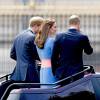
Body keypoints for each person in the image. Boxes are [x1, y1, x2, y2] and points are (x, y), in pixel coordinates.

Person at [0, 16, 44, 99]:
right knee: (36, 94)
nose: (42, 30)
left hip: (18, 72)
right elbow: (36, 55)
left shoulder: (18, 36)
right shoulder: (32, 37)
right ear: (36, 26)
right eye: (42, 27)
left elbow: (12, 54)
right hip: (29, 73)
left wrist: (22, 61)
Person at [51, 15, 93, 85]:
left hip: (62, 73)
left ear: (69, 24)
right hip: (77, 73)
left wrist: (55, 71)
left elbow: (54, 57)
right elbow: (89, 52)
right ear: (78, 24)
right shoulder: (82, 37)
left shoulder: (59, 36)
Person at [35, 19, 57, 88]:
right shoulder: (51, 41)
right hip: (51, 70)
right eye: (55, 27)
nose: (56, 29)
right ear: (49, 29)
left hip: (43, 70)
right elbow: (56, 57)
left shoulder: (38, 41)